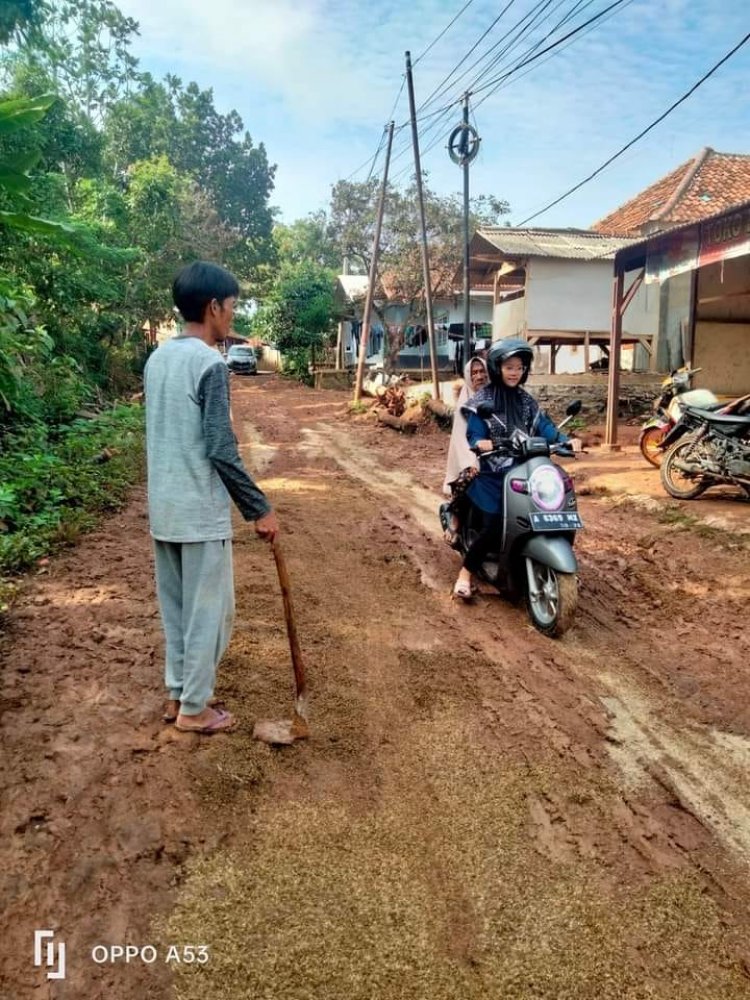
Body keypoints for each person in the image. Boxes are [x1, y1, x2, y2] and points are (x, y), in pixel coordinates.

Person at [144, 261, 279, 733]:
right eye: (232, 307)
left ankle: (178, 694)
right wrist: (258, 508)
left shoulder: (157, 359)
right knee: (211, 615)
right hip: (199, 512)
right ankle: (194, 709)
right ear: (213, 307)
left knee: (178, 610)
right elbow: (221, 448)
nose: (233, 316)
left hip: (164, 507)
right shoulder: (209, 364)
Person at [452, 338, 569, 601]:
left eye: (519, 367)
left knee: (550, 508)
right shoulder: (484, 399)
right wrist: (479, 442)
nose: (515, 372)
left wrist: (564, 440)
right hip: (494, 475)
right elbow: (475, 431)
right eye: (509, 367)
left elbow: (545, 428)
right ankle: (465, 574)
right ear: (497, 368)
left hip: (526, 471)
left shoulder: (527, 401)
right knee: (496, 523)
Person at [440, 356, 489, 545]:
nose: (479, 376)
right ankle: (456, 516)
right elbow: (461, 439)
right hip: (471, 454)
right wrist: (474, 459)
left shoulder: (497, 397)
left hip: (498, 454)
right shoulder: (465, 404)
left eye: (482, 371)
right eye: (474, 373)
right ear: (469, 377)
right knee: (470, 475)